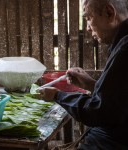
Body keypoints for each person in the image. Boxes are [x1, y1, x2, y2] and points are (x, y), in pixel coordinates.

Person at [38, 0, 128, 149]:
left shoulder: (125, 50)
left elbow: (99, 112)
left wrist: (57, 96)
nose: (87, 28)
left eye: (88, 18)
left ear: (109, 13)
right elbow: (118, 100)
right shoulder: (121, 43)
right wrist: (91, 84)